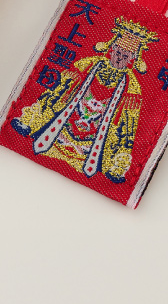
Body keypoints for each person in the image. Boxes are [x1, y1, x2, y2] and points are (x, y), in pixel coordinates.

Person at [11, 16, 156, 183]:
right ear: (111, 49)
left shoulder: (132, 86)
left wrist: (121, 154)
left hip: (96, 138)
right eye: (117, 53)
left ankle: (115, 167)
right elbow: (58, 90)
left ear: (132, 59)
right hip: (66, 122)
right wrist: (38, 111)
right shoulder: (88, 64)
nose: (119, 58)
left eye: (125, 56)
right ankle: (29, 121)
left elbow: (128, 125)